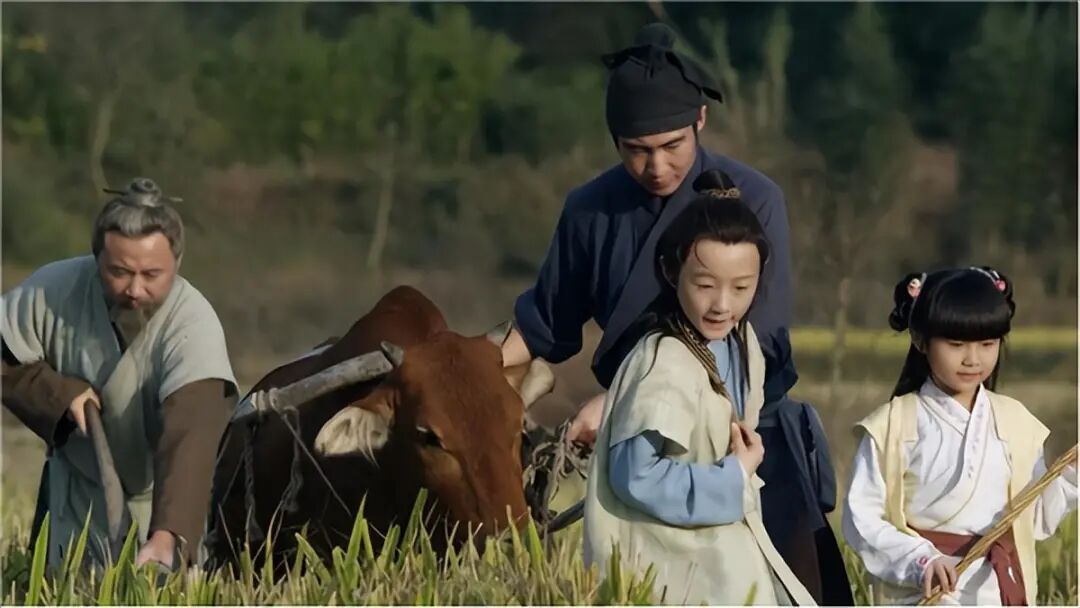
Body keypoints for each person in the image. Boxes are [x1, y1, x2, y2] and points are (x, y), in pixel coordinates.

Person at [502, 22, 850, 603]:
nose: (656, 166)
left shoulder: (753, 198)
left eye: (671, 146)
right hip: (643, 440)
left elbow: (758, 339)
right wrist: (469, 371)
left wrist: (618, 401)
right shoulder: (590, 209)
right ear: (615, 140)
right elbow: (545, 323)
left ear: (700, 121)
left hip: (744, 429)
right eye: (636, 150)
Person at [583, 170, 815, 605]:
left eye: (741, 287)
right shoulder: (663, 363)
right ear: (671, 272)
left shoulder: (743, 344)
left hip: (722, 555)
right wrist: (734, 475)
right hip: (670, 572)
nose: (722, 304)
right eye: (705, 285)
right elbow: (636, 476)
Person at [2, 178, 238, 570]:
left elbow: (193, 430)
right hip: (74, 497)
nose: (135, 289)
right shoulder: (55, 290)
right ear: (97, 258)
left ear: (177, 263)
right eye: (120, 272)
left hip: (161, 502)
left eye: (152, 274)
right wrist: (57, 394)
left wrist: (169, 534)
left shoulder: (193, 324)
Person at [842, 267, 1078, 605]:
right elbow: (862, 519)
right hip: (925, 590)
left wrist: (1070, 477)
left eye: (987, 344)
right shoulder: (892, 425)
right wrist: (922, 560)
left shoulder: (1016, 423)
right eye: (956, 344)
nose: (973, 359)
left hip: (995, 592)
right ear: (920, 341)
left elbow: (1033, 519)